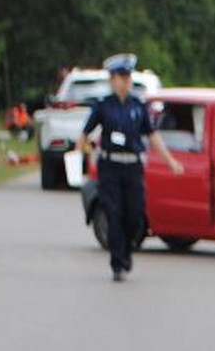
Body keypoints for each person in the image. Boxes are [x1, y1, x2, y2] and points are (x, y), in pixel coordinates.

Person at [76, 54, 183, 282]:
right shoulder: (103, 106)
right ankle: (118, 263)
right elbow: (84, 136)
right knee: (113, 215)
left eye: (127, 76)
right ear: (112, 80)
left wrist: (170, 161)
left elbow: (152, 136)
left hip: (132, 167)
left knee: (134, 216)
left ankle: (126, 249)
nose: (125, 81)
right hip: (110, 167)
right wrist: (88, 155)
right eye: (120, 77)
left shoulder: (138, 105)